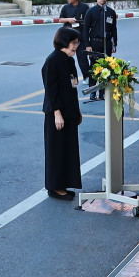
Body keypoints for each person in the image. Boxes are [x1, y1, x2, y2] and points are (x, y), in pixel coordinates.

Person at [42, 26, 84, 200]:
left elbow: (73, 87)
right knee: (57, 150)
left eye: (77, 43)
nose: (76, 46)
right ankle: (55, 187)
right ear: (64, 42)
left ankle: (65, 183)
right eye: (73, 43)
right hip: (57, 113)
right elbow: (51, 91)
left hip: (70, 112)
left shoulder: (69, 60)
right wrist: (57, 114)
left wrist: (77, 111)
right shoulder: (52, 61)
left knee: (68, 149)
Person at [83, 0, 118, 101]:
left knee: (106, 68)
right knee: (94, 67)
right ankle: (92, 92)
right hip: (94, 43)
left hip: (106, 43)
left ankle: (103, 92)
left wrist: (114, 44)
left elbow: (114, 29)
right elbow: (85, 30)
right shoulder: (91, 11)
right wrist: (87, 45)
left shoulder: (111, 12)